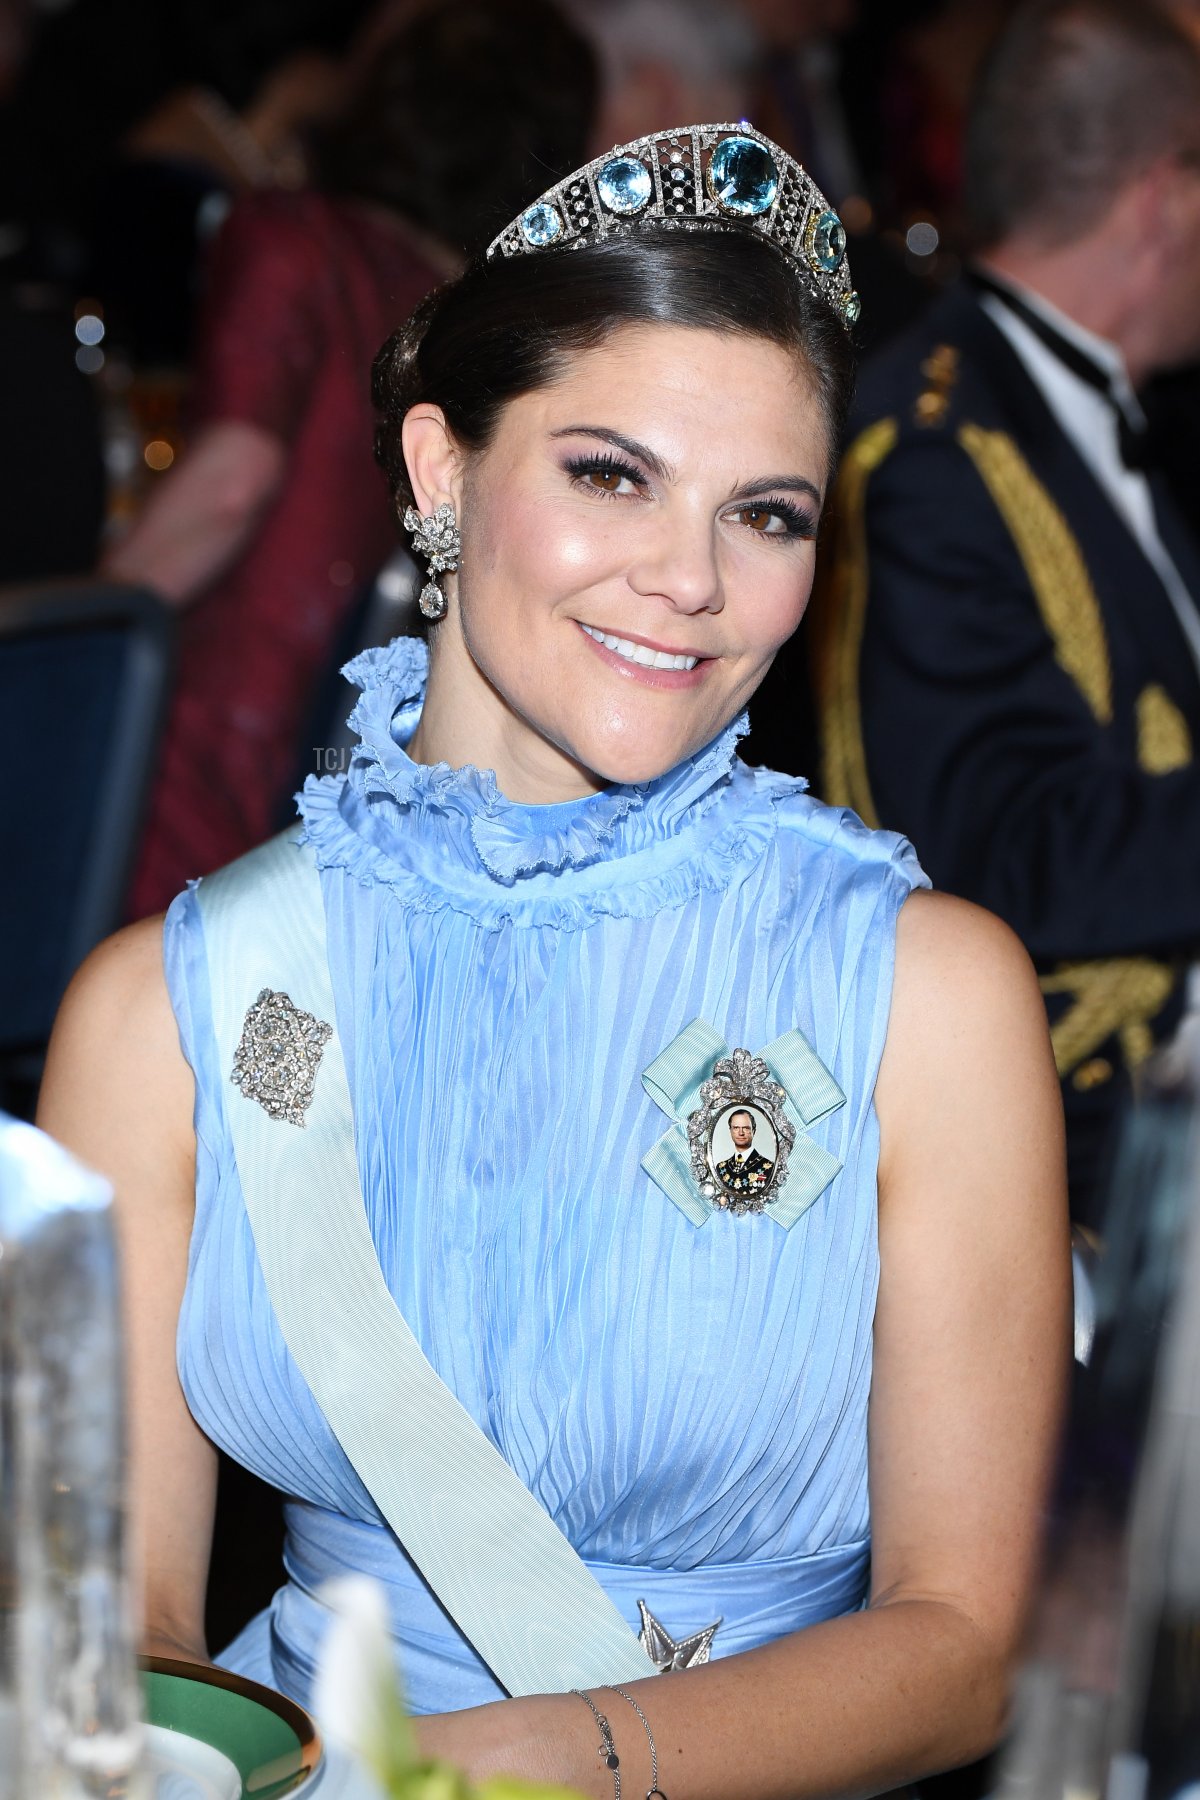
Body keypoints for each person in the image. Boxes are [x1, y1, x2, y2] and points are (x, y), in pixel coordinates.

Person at [39, 121, 1068, 1797]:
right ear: (442, 470)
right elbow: (111, 1625)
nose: (690, 580)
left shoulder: (922, 999)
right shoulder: (173, 1010)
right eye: (611, 474)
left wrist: (492, 1766)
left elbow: (961, 1647)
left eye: (768, 513)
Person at [812, 0, 1200, 1228]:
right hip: (1051, 1188)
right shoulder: (927, 450)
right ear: (1165, 198)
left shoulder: (1064, 417)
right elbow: (994, 855)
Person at [108, 0, 597, 919]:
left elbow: (231, 482)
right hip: (344, 780)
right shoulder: (479, 328)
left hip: (191, 746)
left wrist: (81, 627)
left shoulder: (291, 240)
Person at [715, 1111, 775, 1196]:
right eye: (736, 1128)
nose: (741, 1133)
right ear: (730, 1131)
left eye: (746, 1128)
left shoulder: (769, 1168)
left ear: (753, 1131)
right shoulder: (721, 1168)